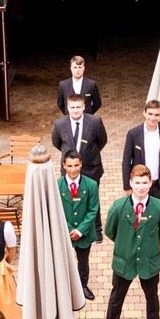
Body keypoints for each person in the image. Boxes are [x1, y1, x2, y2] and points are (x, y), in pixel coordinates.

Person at [104, 165, 160, 319]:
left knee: (152, 298)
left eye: (145, 183)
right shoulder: (118, 206)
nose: (141, 187)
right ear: (131, 183)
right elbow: (110, 231)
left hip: (148, 262)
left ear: (151, 183)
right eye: (137, 183)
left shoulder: (159, 207)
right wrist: (126, 244)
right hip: (124, 262)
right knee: (117, 297)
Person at [52, 94, 108, 240]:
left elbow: (102, 140)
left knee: (92, 198)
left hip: (91, 168)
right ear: (67, 108)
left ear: (84, 107)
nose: (75, 110)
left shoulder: (95, 121)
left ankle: (96, 229)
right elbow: (57, 143)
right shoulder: (59, 124)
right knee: (71, 199)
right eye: (72, 107)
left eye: (78, 107)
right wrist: (71, 158)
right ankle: (72, 229)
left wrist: (88, 155)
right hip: (69, 168)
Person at [57, 151, 99, 300]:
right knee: (64, 261)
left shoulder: (91, 185)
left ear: (81, 164)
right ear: (64, 166)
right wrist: (69, 230)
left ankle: (82, 286)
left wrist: (80, 230)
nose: (73, 169)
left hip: (84, 233)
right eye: (69, 166)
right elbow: (57, 211)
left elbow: (93, 210)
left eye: (76, 165)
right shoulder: (57, 186)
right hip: (65, 233)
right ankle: (66, 288)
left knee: (83, 261)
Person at [121, 99, 160, 201]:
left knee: (157, 214)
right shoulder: (133, 134)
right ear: (144, 113)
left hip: (159, 185)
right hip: (139, 185)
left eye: (156, 115)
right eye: (150, 114)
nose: (153, 118)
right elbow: (126, 162)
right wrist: (127, 186)